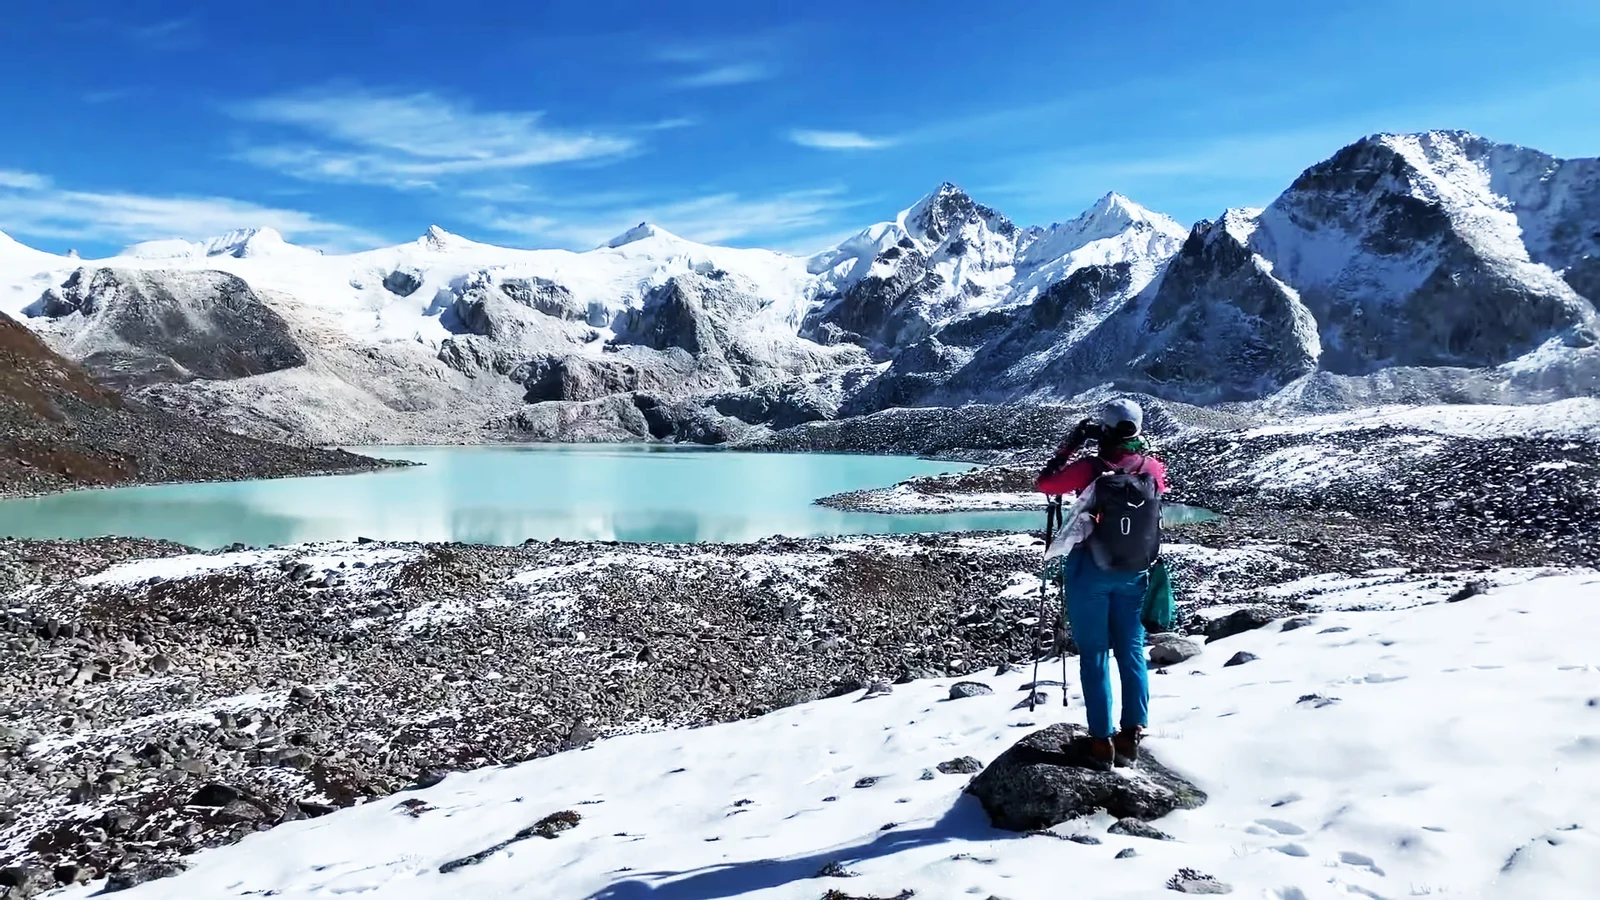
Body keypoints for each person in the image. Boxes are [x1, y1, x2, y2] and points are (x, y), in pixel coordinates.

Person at [1036, 398, 1168, 769]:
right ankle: (1131, 735)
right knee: (1130, 649)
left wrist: (1072, 443)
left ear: (1104, 429)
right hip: (1134, 571)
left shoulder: (1091, 468)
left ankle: (1100, 743)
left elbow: (1046, 483)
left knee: (1094, 653)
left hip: (1090, 570)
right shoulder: (1153, 468)